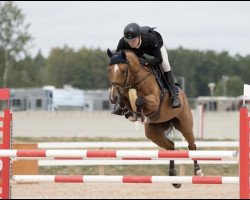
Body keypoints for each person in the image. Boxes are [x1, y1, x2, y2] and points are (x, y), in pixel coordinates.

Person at [111, 22, 181, 115]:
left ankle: (173, 95)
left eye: (133, 40)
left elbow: (158, 59)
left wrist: (146, 62)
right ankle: (122, 102)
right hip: (138, 52)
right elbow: (118, 60)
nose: (131, 43)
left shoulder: (151, 39)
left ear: (139, 36)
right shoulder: (123, 42)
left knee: (165, 64)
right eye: (129, 40)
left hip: (154, 49)